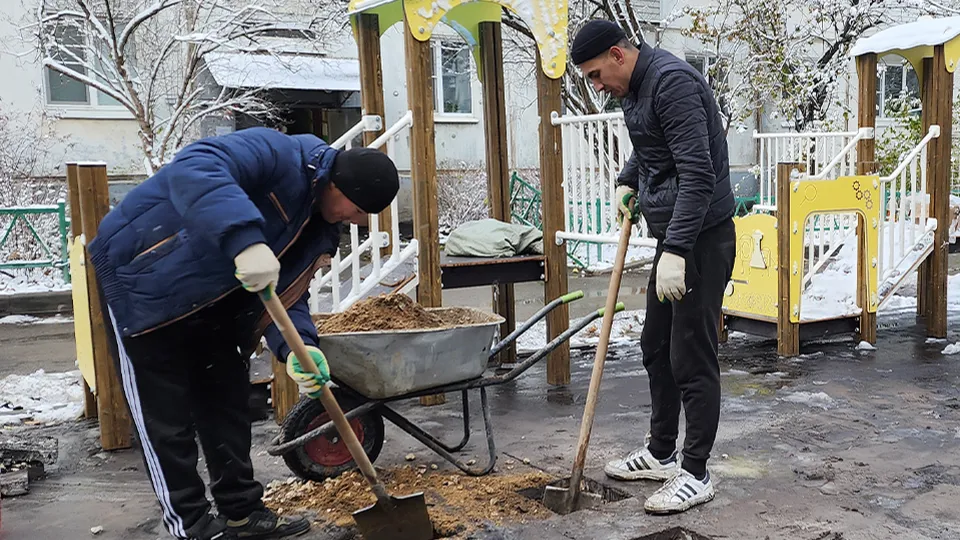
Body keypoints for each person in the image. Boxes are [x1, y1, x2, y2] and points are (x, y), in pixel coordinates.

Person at [88, 126, 400, 539]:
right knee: (166, 421)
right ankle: (193, 526)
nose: (356, 219)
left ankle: (241, 513)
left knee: (227, 405)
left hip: (214, 303)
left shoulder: (317, 229)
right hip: (144, 285)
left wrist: (299, 349)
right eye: (357, 209)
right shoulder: (277, 154)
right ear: (336, 183)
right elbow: (195, 167)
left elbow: (286, 296)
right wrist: (244, 239)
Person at [569, 20, 736, 514]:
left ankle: (697, 471)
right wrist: (626, 180)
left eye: (597, 74)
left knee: (691, 354)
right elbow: (651, 153)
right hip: (675, 237)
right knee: (656, 346)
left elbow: (698, 173)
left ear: (619, 55)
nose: (597, 87)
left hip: (702, 240)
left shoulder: (673, 84)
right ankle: (662, 452)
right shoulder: (634, 89)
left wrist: (679, 251)